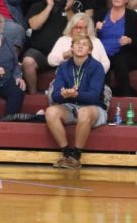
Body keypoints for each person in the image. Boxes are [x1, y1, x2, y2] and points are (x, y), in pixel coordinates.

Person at [45, 35, 107, 170]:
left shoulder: (97, 67)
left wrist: (76, 94)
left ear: (90, 50)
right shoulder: (63, 67)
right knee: (51, 112)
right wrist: (64, 95)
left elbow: (94, 97)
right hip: (71, 106)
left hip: (94, 108)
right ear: (71, 48)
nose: (80, 46)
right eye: (77, 43)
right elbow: (55, 96)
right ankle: (66, 154)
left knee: (83, 112)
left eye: (84, 44)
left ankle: (76, 157)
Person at [22, 0, 73, 93]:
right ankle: (33, 95)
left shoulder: (71, 8)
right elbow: (34, 25)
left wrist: (69, 11)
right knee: (28, 61)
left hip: (64, 55)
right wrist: (49, 7)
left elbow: (77, 28)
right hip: (40, 53)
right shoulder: (37, 6)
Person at [95, 0, 137, 97]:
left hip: (125, 52)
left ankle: (126, 96)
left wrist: (129, 40)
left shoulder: (132, 16)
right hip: (103, 52)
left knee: (119, 61)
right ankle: (102, 96)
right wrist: (95, 30)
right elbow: (90, 38)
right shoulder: (100, 14)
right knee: (102, 61)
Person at [47, 13, 111, 73]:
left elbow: (106, 62)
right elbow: (50, 60)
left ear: (87, 29)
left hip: (91, 79)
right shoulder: (63, 40)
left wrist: (96, 72)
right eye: (76, 27)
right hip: (67, 80)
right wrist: (65, 54)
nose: (78, 30)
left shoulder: (95, 41)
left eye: (81, 28)